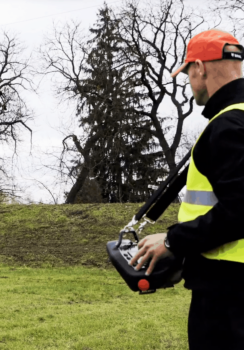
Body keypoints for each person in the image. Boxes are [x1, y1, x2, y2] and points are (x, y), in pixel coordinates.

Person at [129, 29, 244, 350]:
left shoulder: (228, 126)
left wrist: (172, 240)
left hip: (227, 293)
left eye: (188, 73)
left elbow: (239, 210)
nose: (190, 82)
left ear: (200, 68)